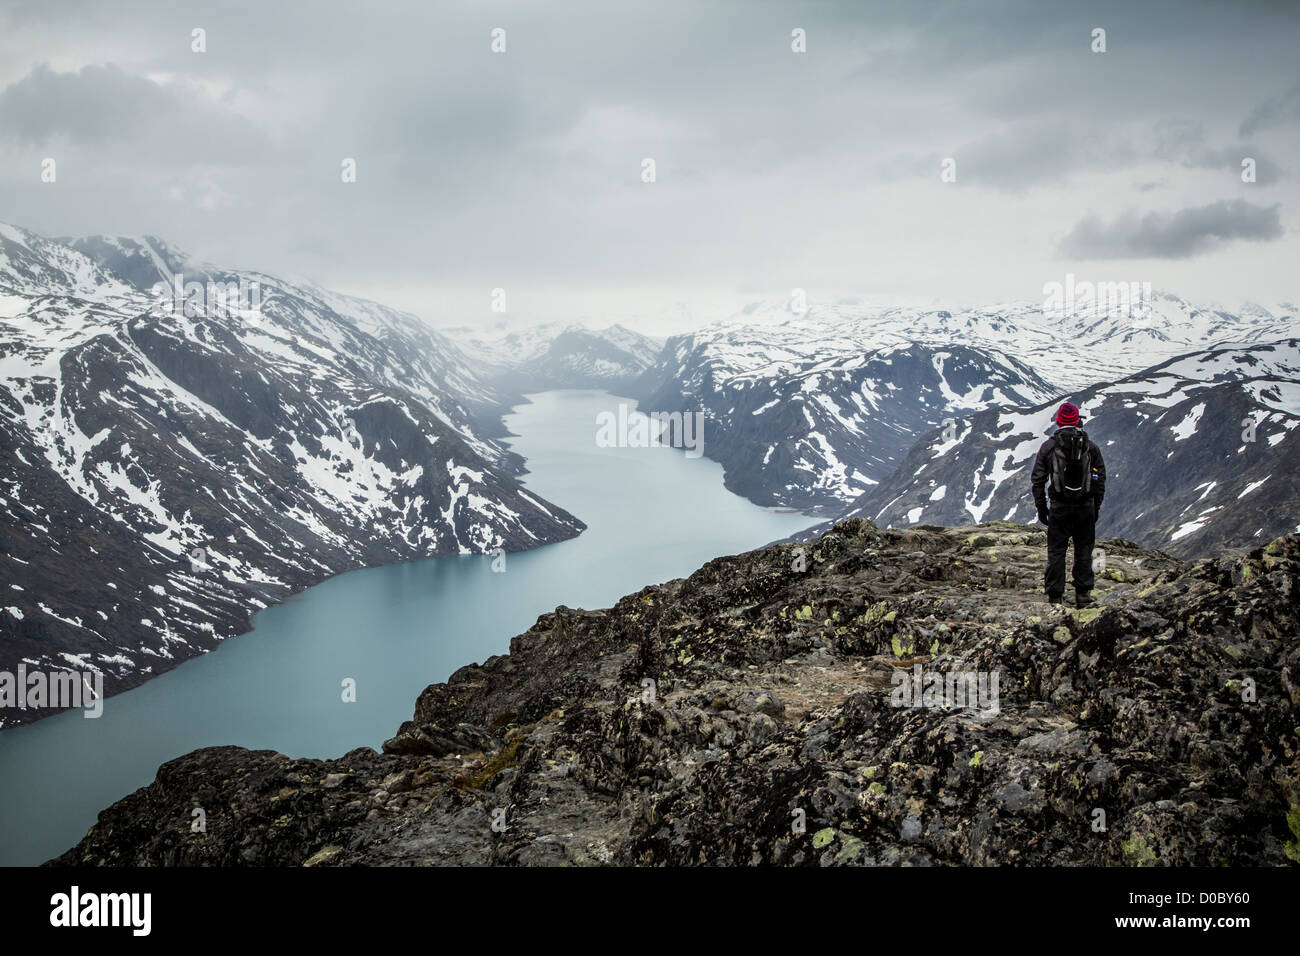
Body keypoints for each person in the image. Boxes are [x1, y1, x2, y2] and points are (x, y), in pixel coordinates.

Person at [1030, 402, 1106, 606]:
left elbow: (1038, 480)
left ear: (1058, 421)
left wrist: (1042, 508)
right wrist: (1095, 506)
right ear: (1077, 420)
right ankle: (1083, 595)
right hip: (1085, 507)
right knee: (1084, 549)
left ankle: (1055, 597)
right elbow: (1100, 479)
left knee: (1056, 551)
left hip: (1059, 507)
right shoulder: (1090, 447)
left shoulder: (1049, 447)